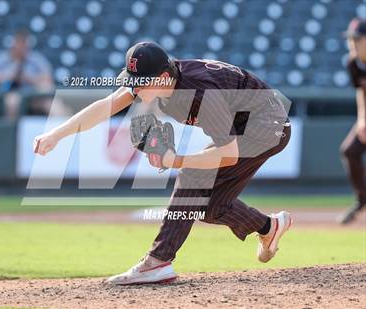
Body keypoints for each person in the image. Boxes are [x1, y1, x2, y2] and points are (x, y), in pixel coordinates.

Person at [33, 42, 293, 285]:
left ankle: (157, 262)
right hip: (246, 124)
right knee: (208, 207)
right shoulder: (161, 80)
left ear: (163, 78)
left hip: (268, 126)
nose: (134, 89)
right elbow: (106, 105)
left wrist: (176, 160)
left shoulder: (201, 94)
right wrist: (57, 134)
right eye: (132, 81)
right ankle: (269, 226)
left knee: (192, 175)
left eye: (140, 83)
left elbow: (228, 154)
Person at [0, 29, 68, 119]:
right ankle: (12, 132)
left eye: (23, 43)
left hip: (33, 96)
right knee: (12, 102)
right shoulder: (1, 59)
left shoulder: (36, 59)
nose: (21, 47)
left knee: (54, 105)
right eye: (18, 43)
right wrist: (9, 76)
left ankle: (67, 130)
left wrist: (28, 79)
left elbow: (48, 80)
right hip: (9, 94)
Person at [338, 18, 366, 224]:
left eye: (357, 39)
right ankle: (362, 199)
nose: (353, 43)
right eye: (350, 39)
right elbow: (361, 92)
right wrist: (362, 120)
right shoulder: (352, 63)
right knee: (350, 150)